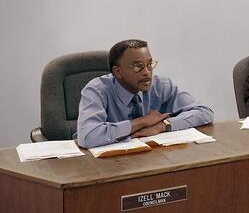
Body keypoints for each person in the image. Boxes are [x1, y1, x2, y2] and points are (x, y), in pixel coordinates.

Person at [76, 40, 214, 149]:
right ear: (118, 72)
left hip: (150, 160)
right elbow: (88, 136)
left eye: (149, 64)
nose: (147, 72)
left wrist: (163, 125)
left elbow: (205, 112)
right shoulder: (96, 90)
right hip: (105, 166)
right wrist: (142, 121)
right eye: (138, 66)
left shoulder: (161, 86)